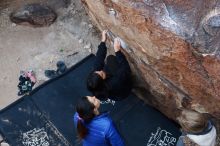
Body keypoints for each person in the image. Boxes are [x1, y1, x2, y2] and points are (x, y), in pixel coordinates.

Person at [87, 30, 132, 102]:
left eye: (98, 72)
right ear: (103, 81)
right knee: (117, 65)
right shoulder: (114, 83)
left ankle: (109, 74)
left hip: (111, 82)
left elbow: (99, 58)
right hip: (124, 90)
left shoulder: (94, 82)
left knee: (110, 58)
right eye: (101, 74)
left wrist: (103, 41)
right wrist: (118, 51)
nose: (101, 70)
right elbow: (125, 68)